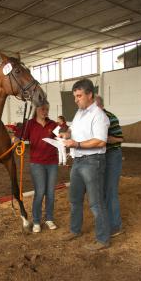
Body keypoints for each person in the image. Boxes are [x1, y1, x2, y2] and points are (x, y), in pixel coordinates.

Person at [59, 79, 110, 251]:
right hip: (78, 161)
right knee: (75, 199)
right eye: (75, 96)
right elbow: (73, 131)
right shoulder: (79, 113)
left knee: (96, 203)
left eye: (79, 96)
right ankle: (75, 230)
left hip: (93, 161)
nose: (76, 99)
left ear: (90, 95)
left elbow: (101, 141)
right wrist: (66, 135)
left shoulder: (99, 115)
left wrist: (76, 144)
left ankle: (103, 239)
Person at [16, 102, 59, 233]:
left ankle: (49, 218)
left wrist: (65, 134)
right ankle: (36, 220)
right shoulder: (29, 124)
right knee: (40, 192)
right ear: (36, 110)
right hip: (37, 163)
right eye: (42, 109)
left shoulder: (53, 124)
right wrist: (17, 139)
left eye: (47, 109)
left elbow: (62, 135)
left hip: (52, 163)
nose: (44, 111)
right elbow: (18, 137)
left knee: (50, 193)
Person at [95, 95, 124, 237]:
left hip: (112, 155)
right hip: (101, 156)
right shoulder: (94, 118)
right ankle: (107, 221)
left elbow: (120, 138)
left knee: (110, 190)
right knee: (103, 190)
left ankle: (116, 226)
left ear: (98, 105)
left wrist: (107, 139)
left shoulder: (110, 117)